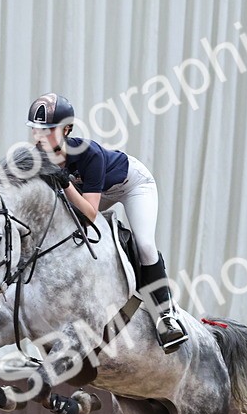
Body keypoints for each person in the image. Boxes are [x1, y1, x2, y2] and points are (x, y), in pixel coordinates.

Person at [26, 93, 187, 353]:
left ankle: (166, 316)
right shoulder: (37, 159)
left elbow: (90, 213)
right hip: (89, 193)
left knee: (144, 244)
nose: (40, 136)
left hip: (131, 185)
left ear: (67, 129)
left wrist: (64, 182)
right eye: (36, 129)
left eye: (49, 130)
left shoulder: (88, 153)